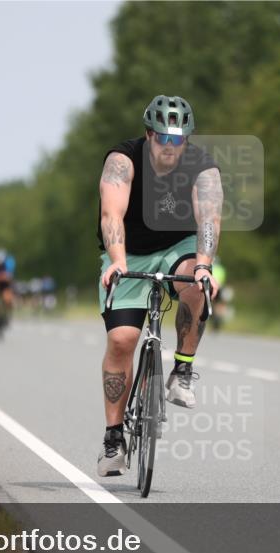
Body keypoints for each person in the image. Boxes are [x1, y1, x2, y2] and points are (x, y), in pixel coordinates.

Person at [96, 94, 223, 477]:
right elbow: (111, 213)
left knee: (196, 288)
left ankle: (181, 371)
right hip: (129, 252)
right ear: (149, 135)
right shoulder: (122, 161)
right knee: (121, 341)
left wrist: (203, 266)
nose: (171, 148)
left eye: (178, 140)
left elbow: (209, 221)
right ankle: (114, 438)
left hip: (177, 246)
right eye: (163, 139)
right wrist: (118, 261)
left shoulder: (203, 167)